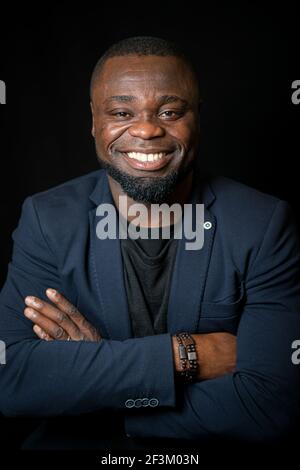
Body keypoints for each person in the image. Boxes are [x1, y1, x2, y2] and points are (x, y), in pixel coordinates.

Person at [0, 36, 299, 449]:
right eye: (122, 112)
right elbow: (11, 377)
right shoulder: (47, 218)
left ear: (197, 118)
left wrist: (97, 391)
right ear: (94, 120)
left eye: (170, 112)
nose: (145, 129)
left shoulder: (263, 224)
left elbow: (271, 403)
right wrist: (185, 355)